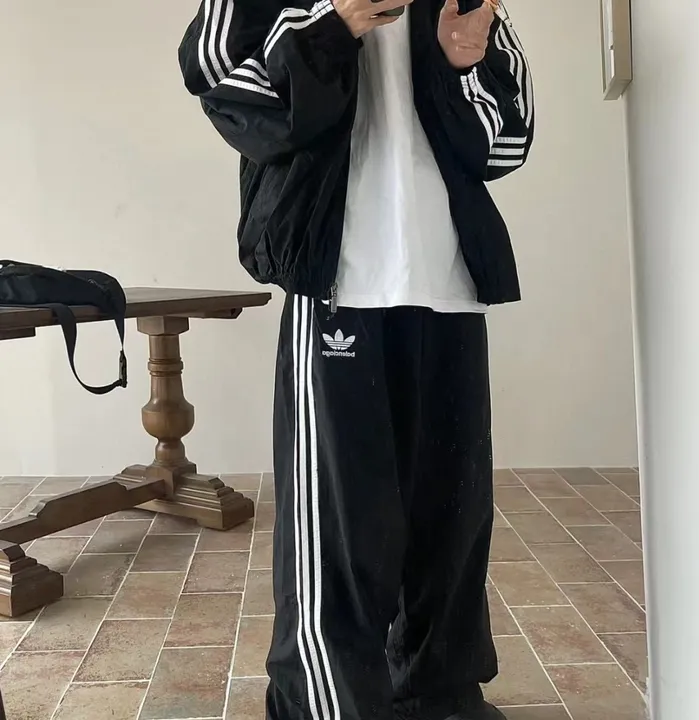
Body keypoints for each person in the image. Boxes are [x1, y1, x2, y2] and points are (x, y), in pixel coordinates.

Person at [179, 0, 533, 717]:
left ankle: (439, 695)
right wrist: (329, 28)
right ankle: (327, 705)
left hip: (451, 283)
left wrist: (462, 69)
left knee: (453, 522)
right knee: (337, 535)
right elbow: (225, 93)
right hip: (339, 281)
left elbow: (507, 144)